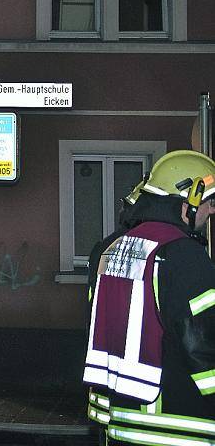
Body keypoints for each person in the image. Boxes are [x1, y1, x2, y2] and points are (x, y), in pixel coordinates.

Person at [84, 150, 215, 445]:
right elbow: (204, 346)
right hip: (179, 428)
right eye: (208, 202)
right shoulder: (184, 256)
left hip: (119, 424)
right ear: (188, 204)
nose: (211, 211)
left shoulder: (108, 250)